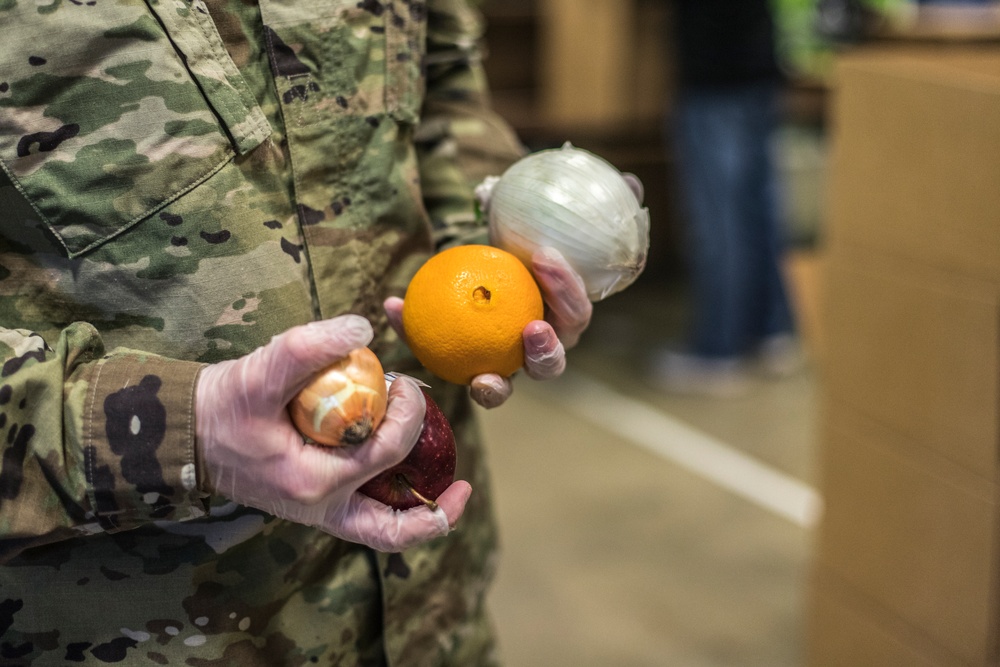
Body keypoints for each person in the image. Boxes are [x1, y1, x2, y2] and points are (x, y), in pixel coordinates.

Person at [0, 0, 595, 664]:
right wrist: (175, 430)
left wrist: (498, 249)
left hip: (432, 604)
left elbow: (445, 85)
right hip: (150, 627)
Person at [653, 0, 801, 396]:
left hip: (715, 76)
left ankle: (718, 349)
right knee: (758, 209)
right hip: (758, 66)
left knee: (719, 221)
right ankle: (772, 330)